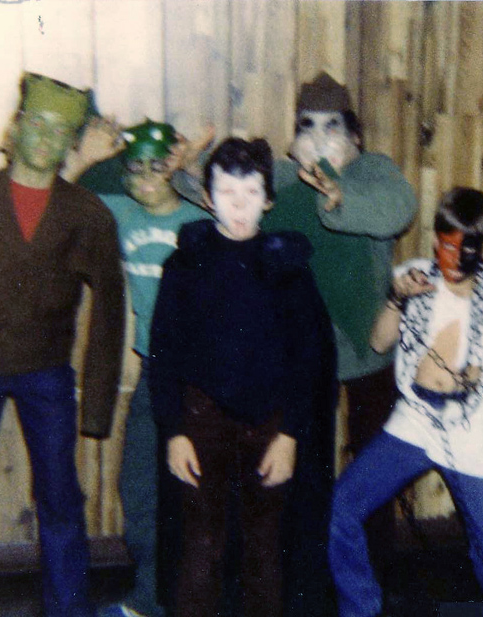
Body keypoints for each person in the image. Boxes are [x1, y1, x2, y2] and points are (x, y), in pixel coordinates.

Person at [328, 187, 483, 617]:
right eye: (446, 246)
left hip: (472, 430)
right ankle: (360, 607)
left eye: (466, 249)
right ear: (434, 240)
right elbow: (379, 342)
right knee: (341, 508)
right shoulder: (414, 277)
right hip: (414, 422)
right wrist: (396, 299)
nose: (454, 259)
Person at [0, 72, 125, 617]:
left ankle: (68, 608)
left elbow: (110, 312)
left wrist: (97, 406)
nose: (47, 138)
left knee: (60, 498)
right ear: (17, 126)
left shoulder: (86, 214)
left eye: (61, 130)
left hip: (47, 375)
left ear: (73, 142)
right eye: (38, 124)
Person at [149, 137, 336, 617]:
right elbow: (164, 354)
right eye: (226, 191)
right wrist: (174, 432)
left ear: (268, 200)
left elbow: (308, 358)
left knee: (265, 548)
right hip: (201, 419)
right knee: (200, 547)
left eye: (251, 192)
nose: (238, 204)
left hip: (269, 423)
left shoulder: (288, 267)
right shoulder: (185, 263)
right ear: (207, 196)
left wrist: (290, 435)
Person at [65, 118, 213, 617]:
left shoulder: (200, 216)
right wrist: (88, 157)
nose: (147, 178)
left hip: (208, 377)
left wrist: (194, 168)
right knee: (140, 487)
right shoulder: (121, 212)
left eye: (157, 167)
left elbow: (246, 215)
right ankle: (149, 601)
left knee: (202, 492)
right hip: (155, 374)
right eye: (136, 168)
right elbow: (61, 203)